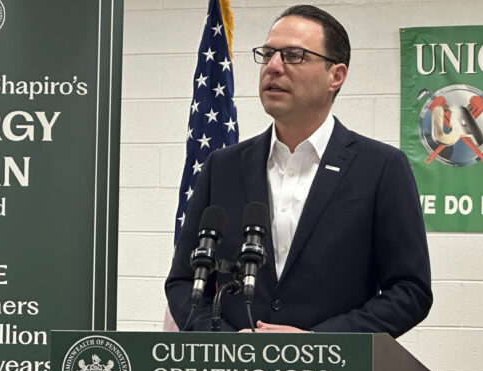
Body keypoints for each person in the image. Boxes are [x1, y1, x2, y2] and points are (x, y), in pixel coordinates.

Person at [165, 5, 432, 336]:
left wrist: (316, 344)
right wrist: (224, 342)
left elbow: (410, 290)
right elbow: (183, 280)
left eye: (293, 55)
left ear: (336, 75)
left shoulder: (380, 167)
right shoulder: (223, 166)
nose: (274, 67)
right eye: (268, 54)